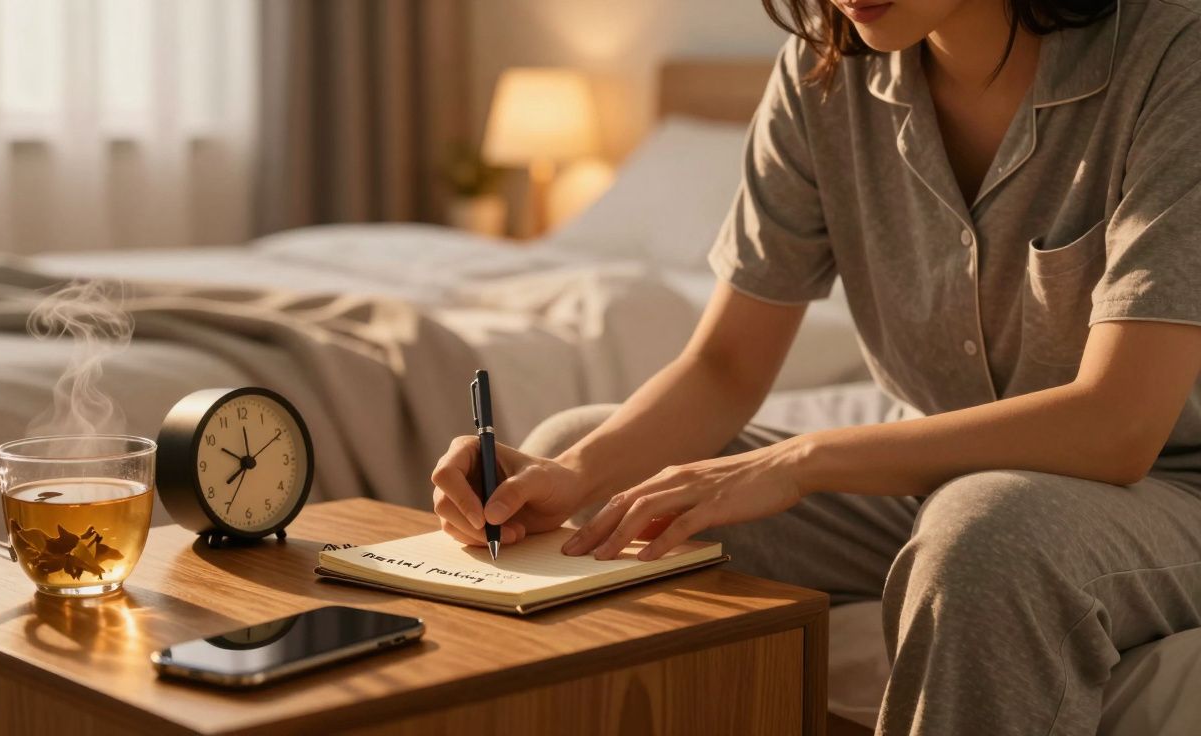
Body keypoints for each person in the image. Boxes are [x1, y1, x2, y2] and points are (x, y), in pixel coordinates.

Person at [431, 0, 1201, 732]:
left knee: (983, 536)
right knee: (597, 473)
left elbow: (1118, 425)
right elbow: (726, 364)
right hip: (937, 475)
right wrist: (571, 470)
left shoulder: (1172, 52)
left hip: (1167, 486)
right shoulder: (821, 71)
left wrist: (803, 461)